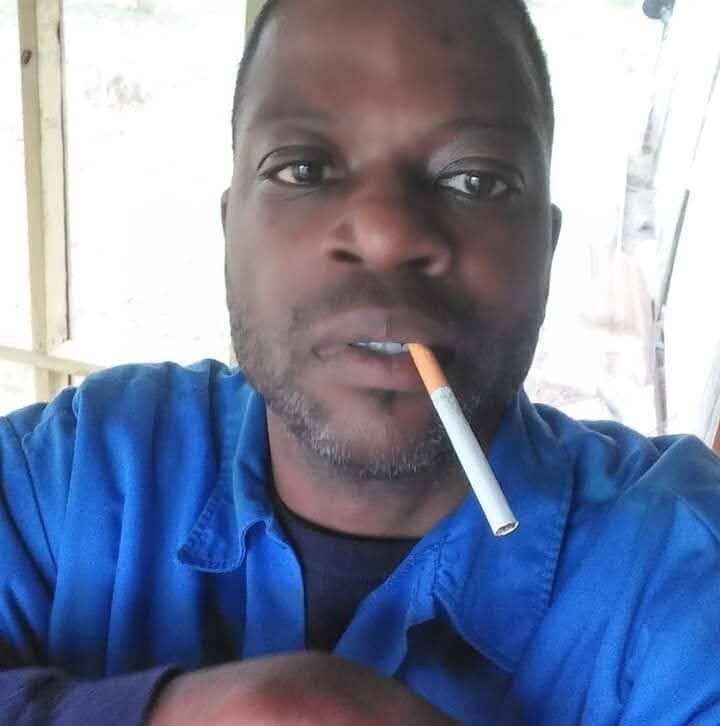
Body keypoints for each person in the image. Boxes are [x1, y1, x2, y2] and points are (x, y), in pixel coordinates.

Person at [2, 0, 719, 723]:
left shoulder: (679, 568)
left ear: (547, 250)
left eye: (476, 180)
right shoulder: (74, 473)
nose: (385, 233)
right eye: (302, 169)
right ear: (229, 234)